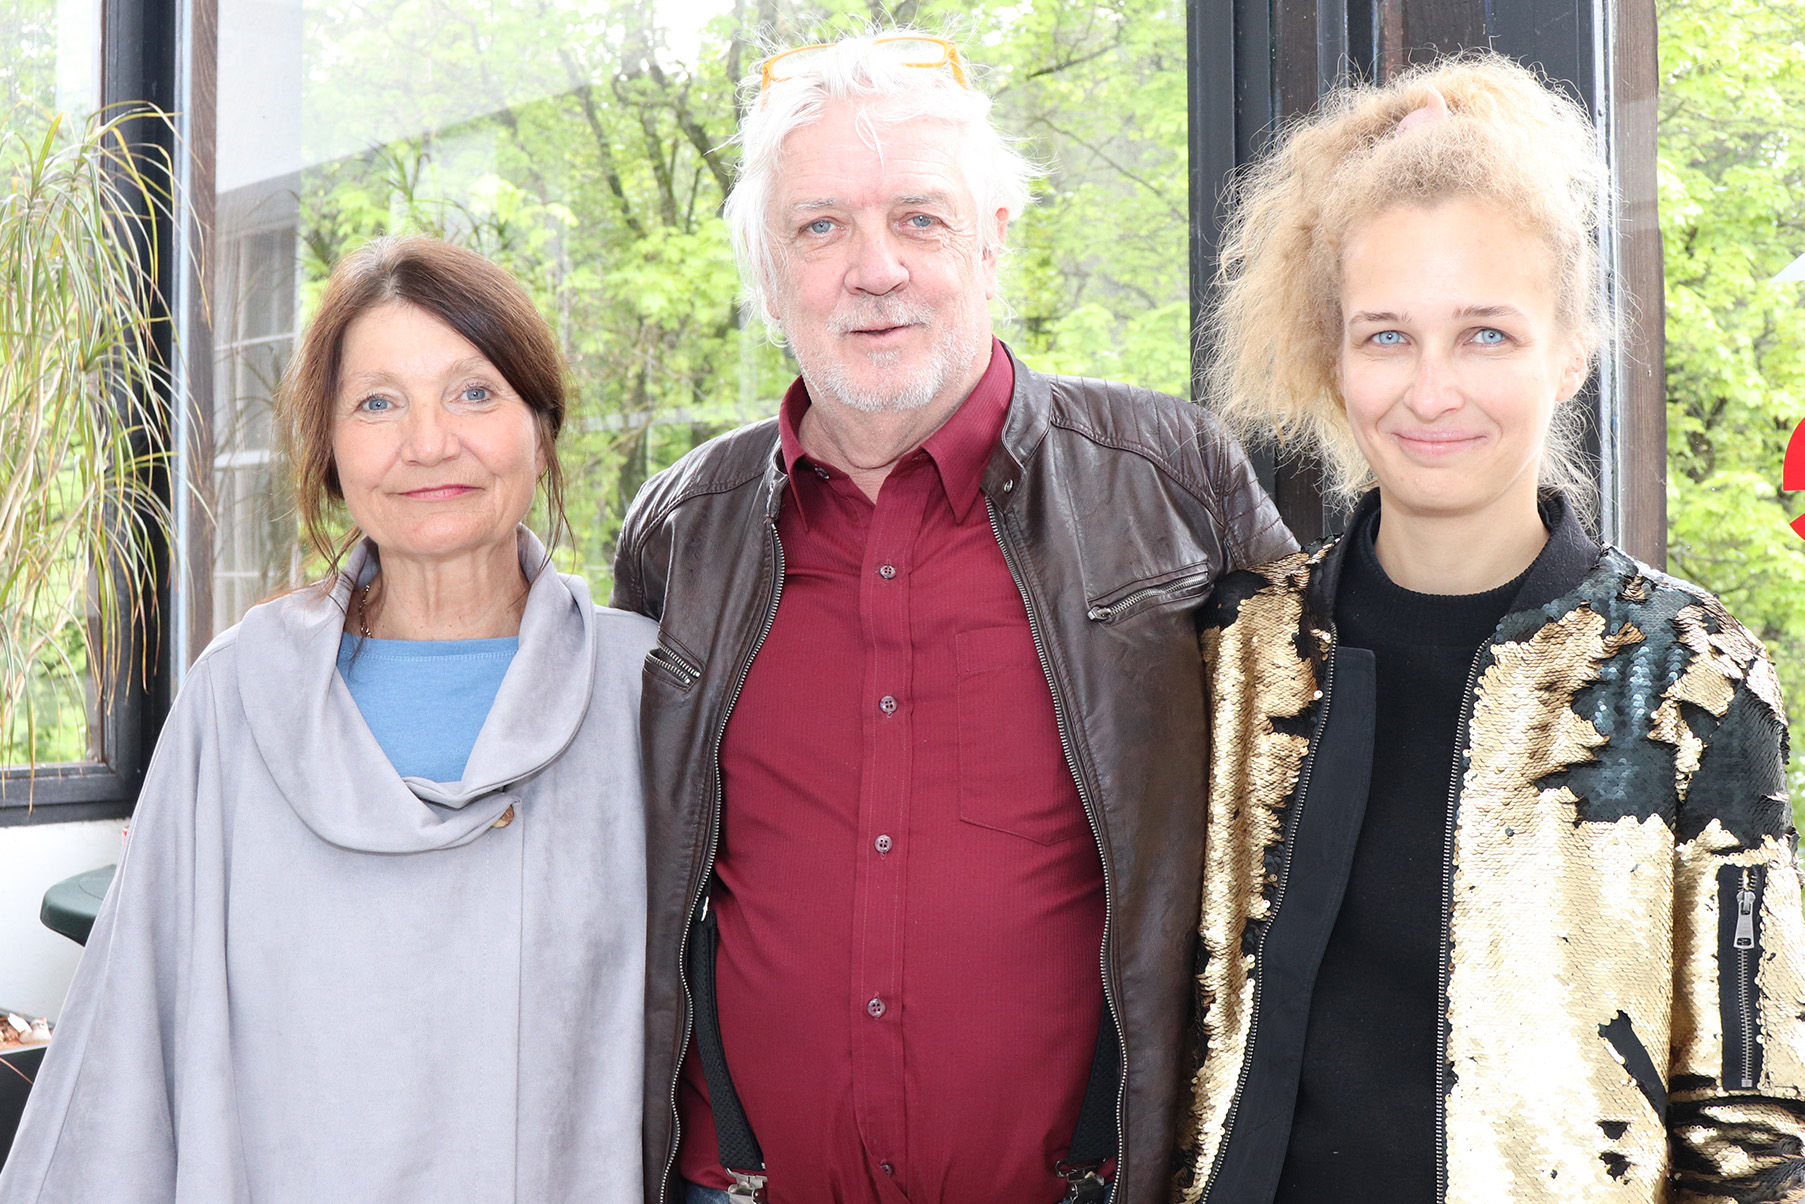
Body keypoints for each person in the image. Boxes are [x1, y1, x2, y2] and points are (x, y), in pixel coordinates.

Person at [609, 30, 1294, 1204]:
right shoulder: (681, 530)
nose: (872, 268)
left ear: (991, 240)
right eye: (820, 227)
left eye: (918, 219)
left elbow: (1307, 817)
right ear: (769, 276)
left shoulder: (1168, 481)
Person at [1173, 54, 1805, 1204]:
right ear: (1331, 356)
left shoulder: (1684, 671)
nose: (1429, 389)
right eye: (1384, 336)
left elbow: (1753, 1125)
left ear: (1568, 351)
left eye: (1484, 334)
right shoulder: (1238, 651)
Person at [0, 236, 657, 1203]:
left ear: (541, 426)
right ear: (331, 455)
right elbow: (133, 1023)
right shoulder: (240, 692)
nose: (429, 442)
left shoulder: (645, 689)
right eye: (378, 403)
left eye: (474, 393)